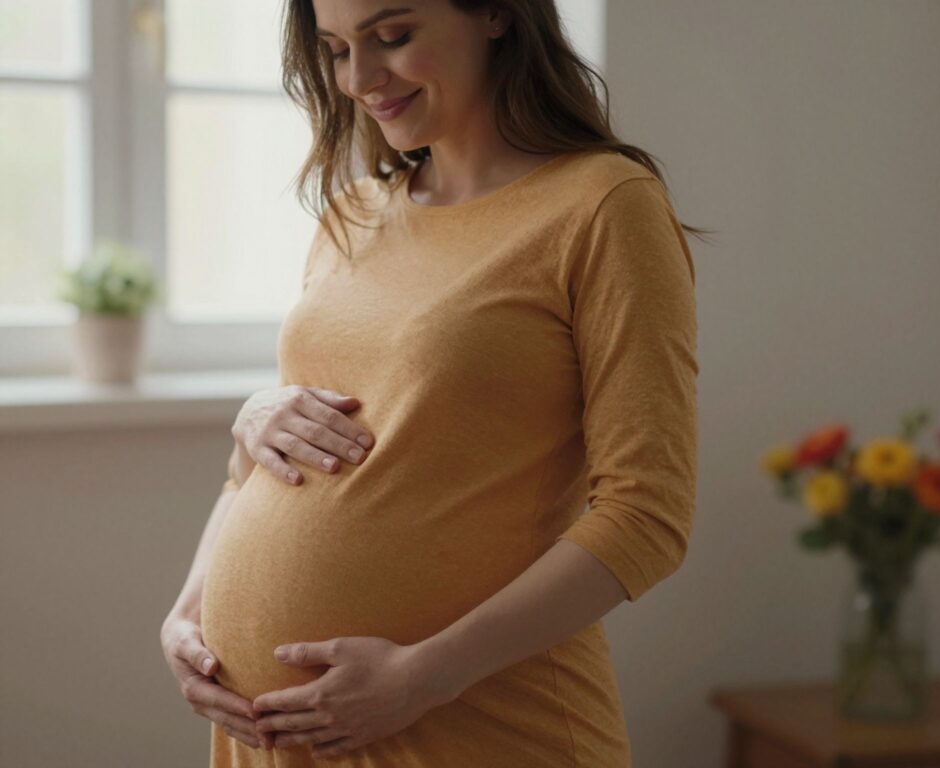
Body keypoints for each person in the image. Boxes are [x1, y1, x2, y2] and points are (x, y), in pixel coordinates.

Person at [160, 1, 708, 765]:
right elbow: (263, 468)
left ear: (494, 14)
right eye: (335, 49)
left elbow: (648, 515)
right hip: (278, 741)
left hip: (475, 727)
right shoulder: (352, 213)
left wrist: (422, 678)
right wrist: (191, 612)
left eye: (393, 37)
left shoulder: (604, 207)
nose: (359, 78)